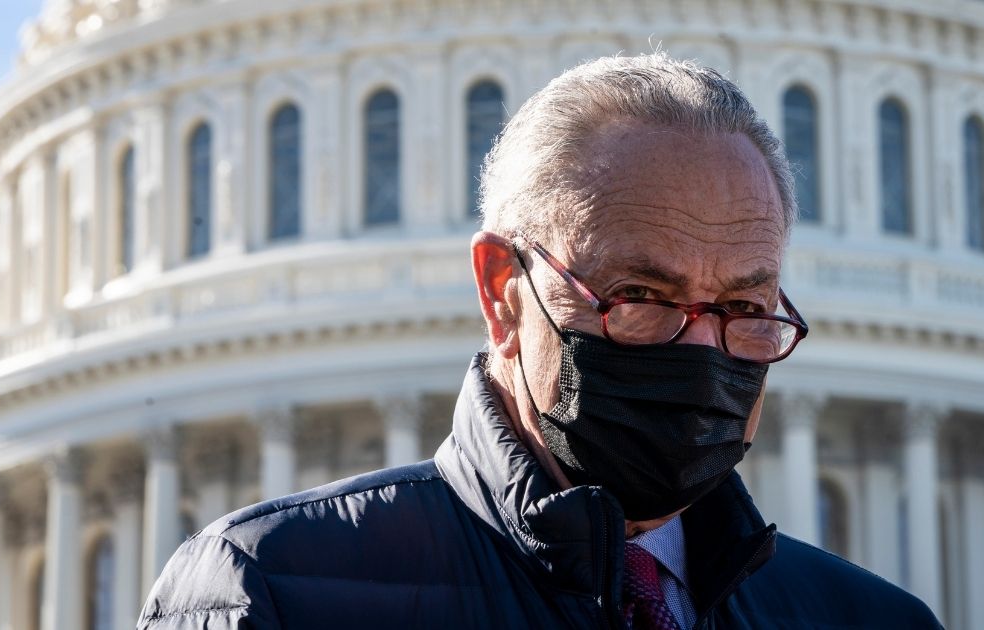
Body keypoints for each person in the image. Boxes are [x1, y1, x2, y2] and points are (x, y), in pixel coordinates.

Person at [138, 54, 942, 629]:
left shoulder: (872, 618)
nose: (700, 352)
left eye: (743, 306)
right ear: (501, 290)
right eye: (639, 297)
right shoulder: (272, 588)